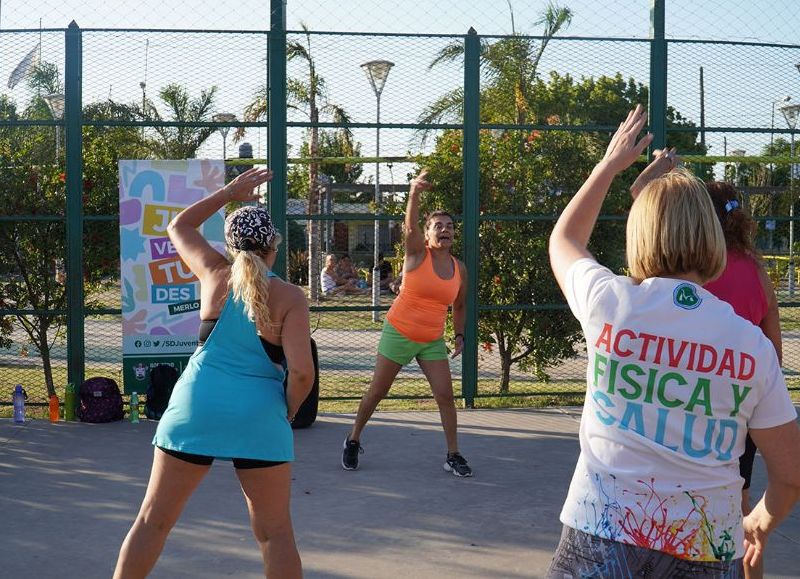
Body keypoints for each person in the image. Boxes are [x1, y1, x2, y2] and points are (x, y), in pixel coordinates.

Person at [547, 106, 800, 576]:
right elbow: (791, 474)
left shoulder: (608, 302)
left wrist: (609, 165)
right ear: (714, 238)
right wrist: (759, 525)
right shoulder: (750, 345)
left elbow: (564, 239)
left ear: (638, 234)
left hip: (600, 530)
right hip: (706, 543)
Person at [114, 168, 314, 579]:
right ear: (273, 246)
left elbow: (178, 225)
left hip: (195, 406)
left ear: (229, 246)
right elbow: (301, 376)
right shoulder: (290, 296)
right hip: (259, 415)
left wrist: (229, 192)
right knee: (275, 534)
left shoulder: (213, 271)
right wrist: (287, 413)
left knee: (152, 522)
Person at [342, 169, 472, 477]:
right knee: (377, 391)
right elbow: (408, 224)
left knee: (445, 395)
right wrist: (413, 192)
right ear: (426, 234)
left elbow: (461, 304)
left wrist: (460, 334)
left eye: (449, 226)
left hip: (431, 340)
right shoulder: (416, 254)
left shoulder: (459, 269)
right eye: (438, 226)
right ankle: (352, 439)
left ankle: (453, 454)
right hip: (398, 332)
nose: (445, 230)